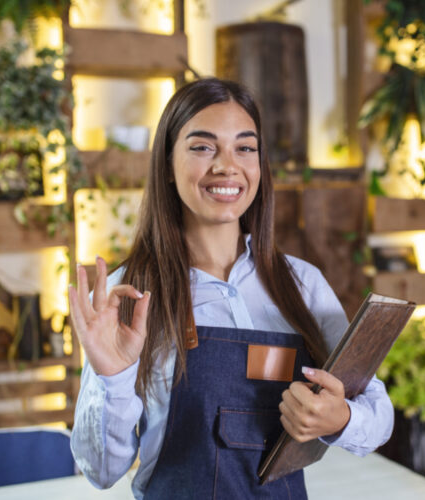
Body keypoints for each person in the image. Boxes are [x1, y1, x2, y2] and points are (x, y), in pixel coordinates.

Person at [69, 78, 393, 499]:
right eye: (203, 147)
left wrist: (341, 418)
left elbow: (379, 414)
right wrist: (111, 377)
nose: (227, 165)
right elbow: (100, 472)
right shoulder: (129, 295)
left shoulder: (302, 285)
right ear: (167, 165)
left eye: (245, 148)